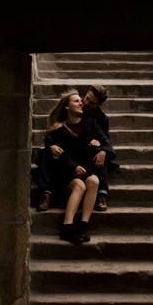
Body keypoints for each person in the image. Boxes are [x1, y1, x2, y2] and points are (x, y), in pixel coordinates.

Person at [37, 91, 115, 244]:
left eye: (81, 100)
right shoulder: (59, 129)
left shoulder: (90, 124)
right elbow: (55, 149)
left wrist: (103, 150)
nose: (81, 103)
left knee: (93, 181)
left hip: (84, 167)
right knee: (79, 186)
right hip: (65, 170)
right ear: (66, 107)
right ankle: (67, 226)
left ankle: (83, 225)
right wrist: (72, 165)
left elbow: (105, 140)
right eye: (77, 101)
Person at [81, 84, 115, 211]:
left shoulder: (102, 119)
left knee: (100, 153)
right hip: (73, 148)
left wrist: (104, 151)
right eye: (87, 98)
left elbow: (106, 139)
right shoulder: (74, 105)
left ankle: (101, 195)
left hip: (89, 152)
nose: (86, 103)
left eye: (91, 102)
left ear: (99, 105)